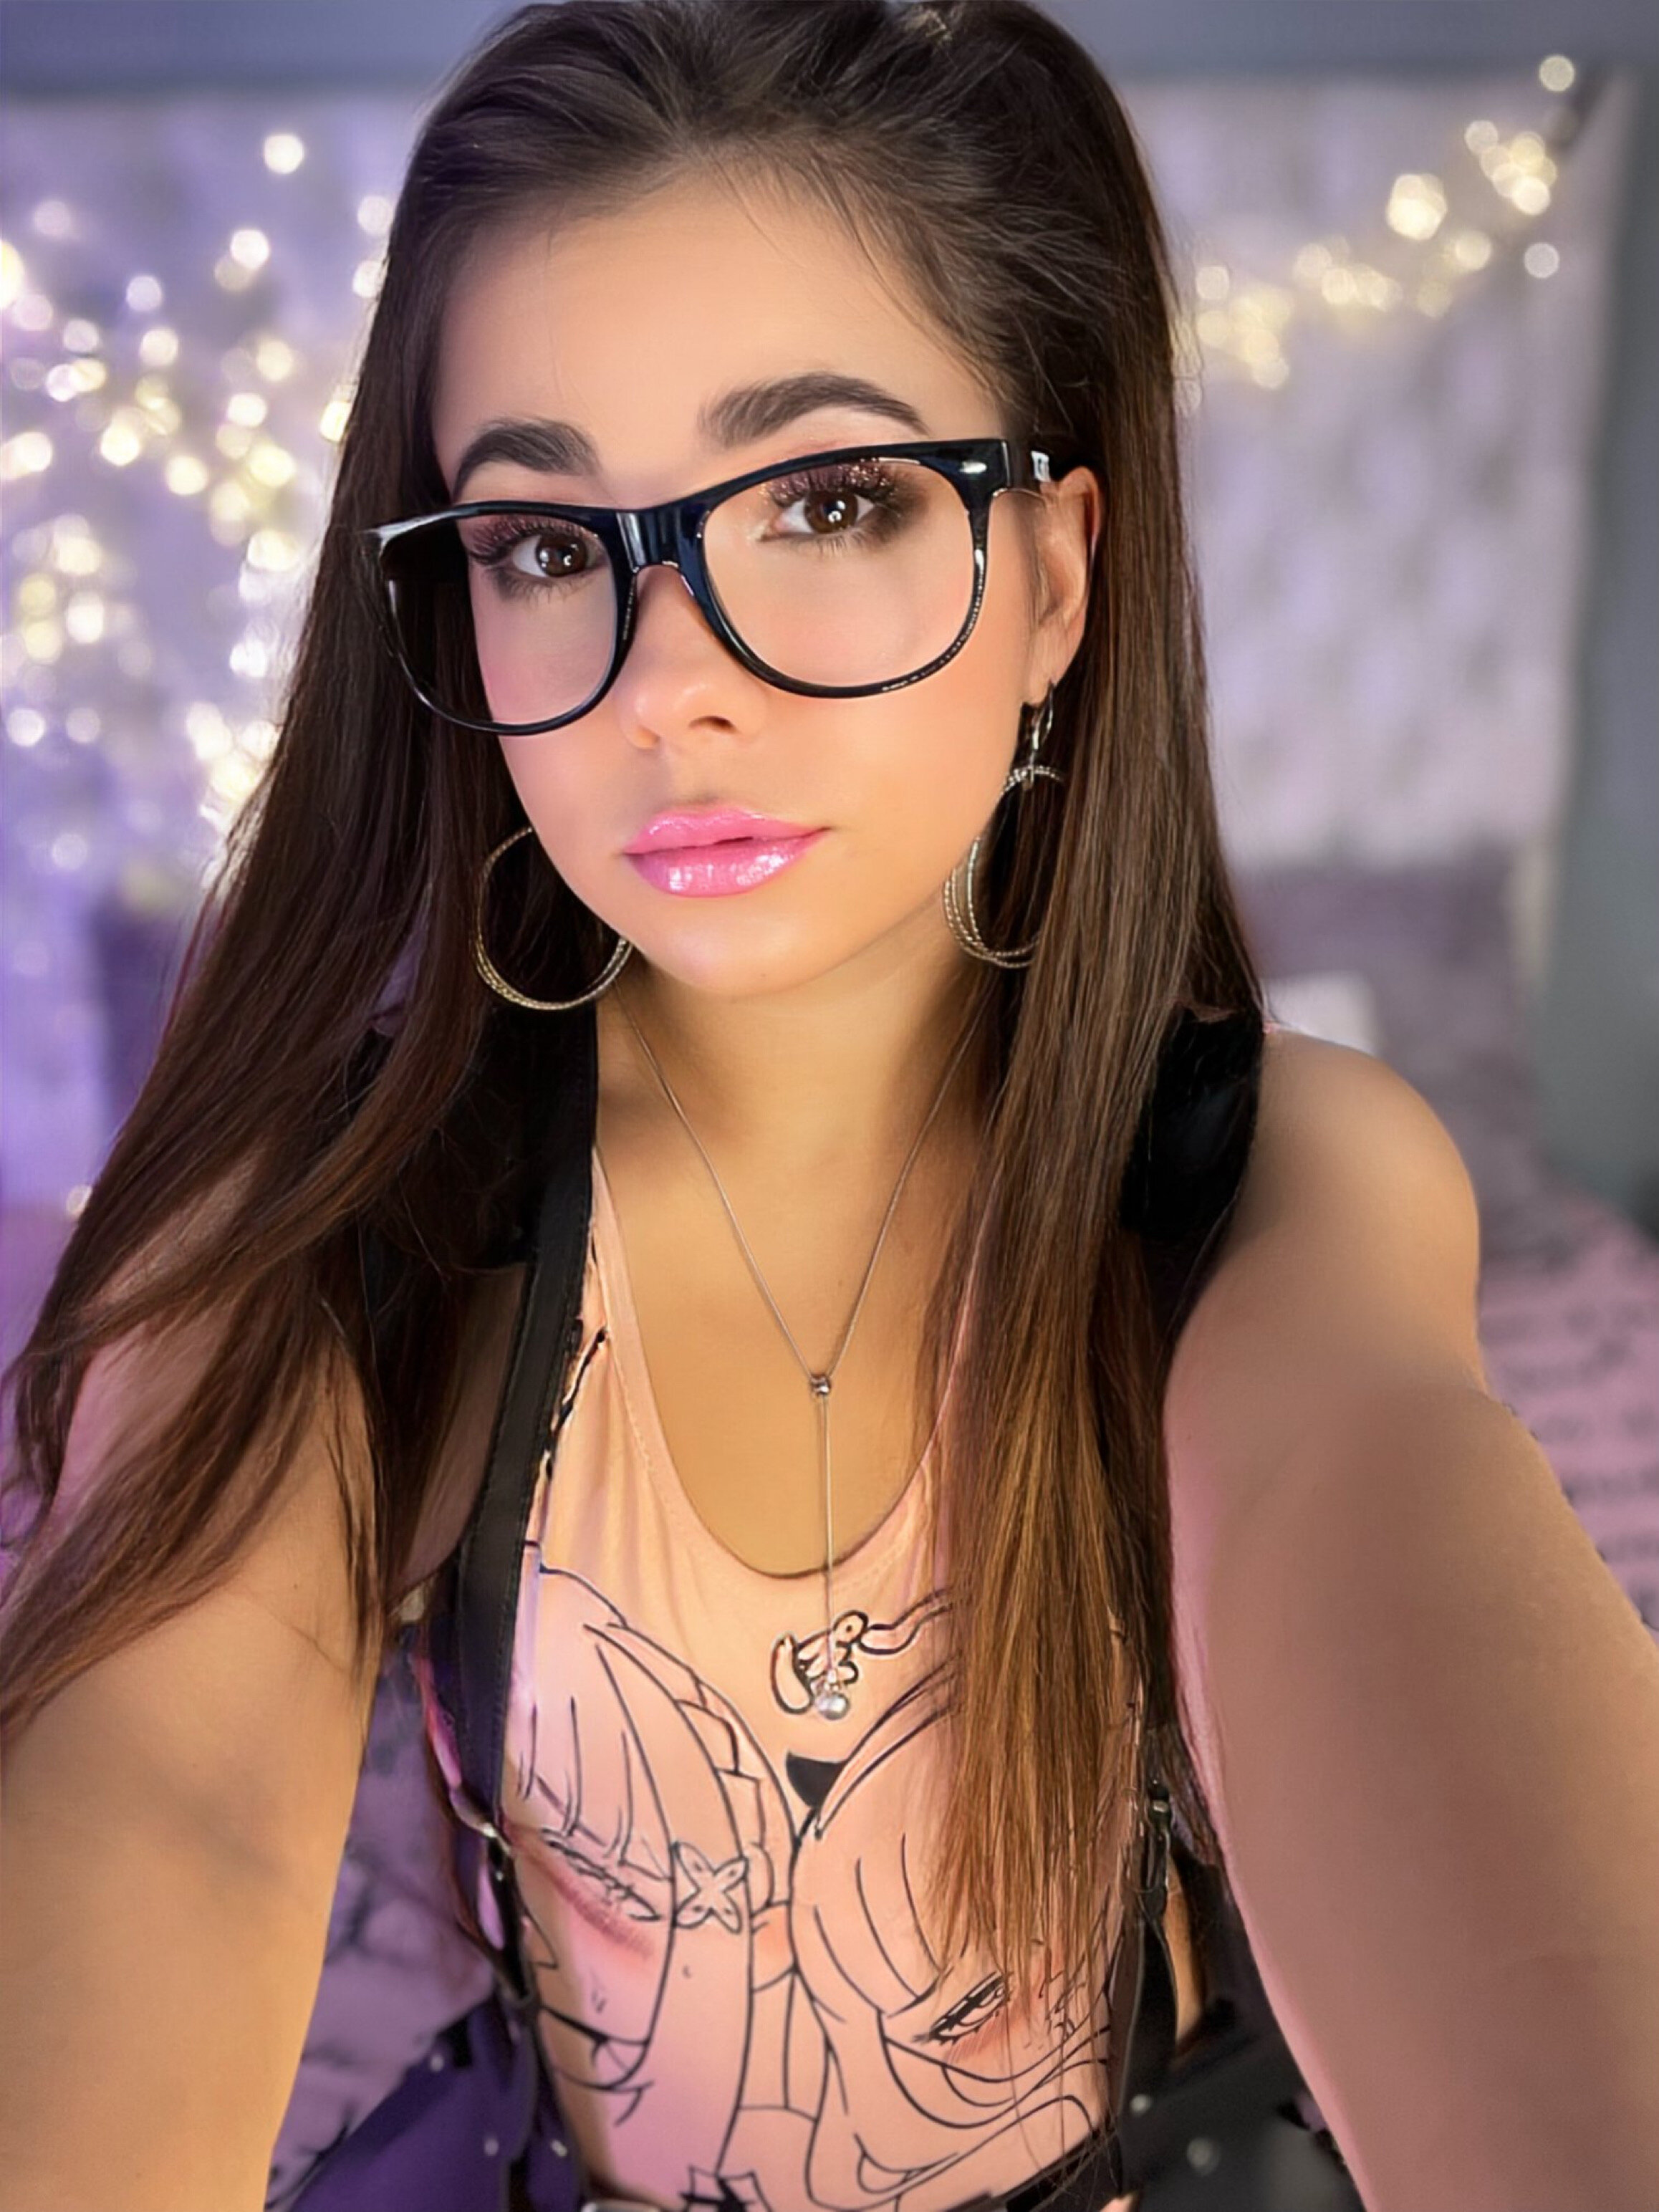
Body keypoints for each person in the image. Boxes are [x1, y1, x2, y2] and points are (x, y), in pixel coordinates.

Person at [6, 4, 1659, 2209]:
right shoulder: (342, 1205)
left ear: (1051, 579)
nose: (671, 682)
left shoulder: (1275, 1177)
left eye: (828, 500)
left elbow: (1386, 1569)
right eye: (542, 546)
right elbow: (173, 1797)